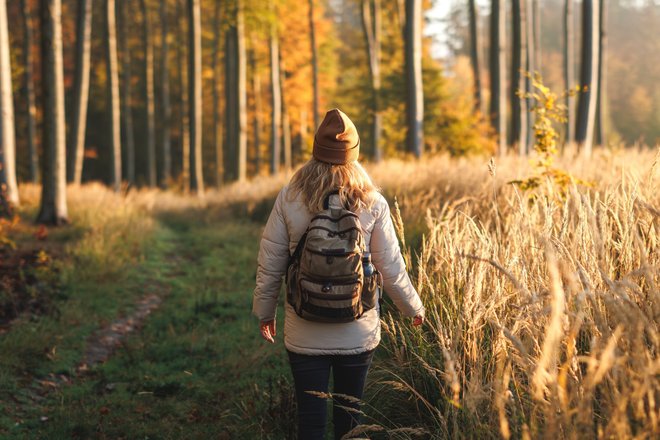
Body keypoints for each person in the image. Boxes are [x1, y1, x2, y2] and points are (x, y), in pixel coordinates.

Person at [252, 108, 425, 440]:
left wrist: (264, 312)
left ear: (316, 150)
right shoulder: (372, 201)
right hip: (357, 330)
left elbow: (270, 259)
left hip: (304, 329)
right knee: (350, 419)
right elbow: (391, 265)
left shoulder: (291, 197)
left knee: (311, 422)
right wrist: (412, 308)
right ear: (355, 154)